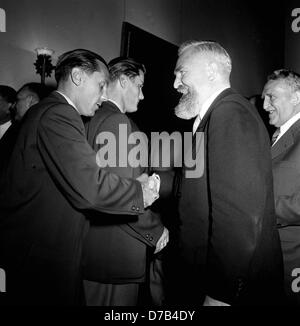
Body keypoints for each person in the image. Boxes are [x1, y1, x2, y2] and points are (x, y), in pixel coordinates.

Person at [0, 49, 159, 305]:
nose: (103, 94)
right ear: (77, 76)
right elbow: (90, 185)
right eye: (100, 85)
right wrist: (141, 192)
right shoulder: (58, 114)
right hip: (42, 257)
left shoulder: (49, 111)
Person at [172, 40, 284, 305]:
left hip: (231, 289)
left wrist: (220, 292)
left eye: (181, 73)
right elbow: (200, 182)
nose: (175, 83)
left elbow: (239, 213)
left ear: (211, 71)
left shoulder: (229, 113)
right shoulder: (214, 115)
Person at [83, 57, 170, 306]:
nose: (142, 96)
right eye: (139, 86)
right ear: (122, 81)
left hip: (95, 250)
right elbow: (121, 195)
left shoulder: (92, 116)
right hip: (113, 255)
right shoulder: (116, 121)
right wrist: (156, 231)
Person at [262, 69, 300, 305]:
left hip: (291, 262)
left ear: (296, 98)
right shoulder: (276, 135)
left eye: (271, 97)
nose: (265, 105)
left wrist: (259, 209)